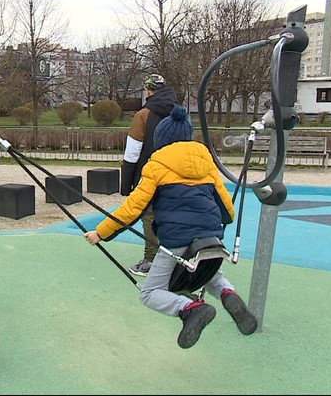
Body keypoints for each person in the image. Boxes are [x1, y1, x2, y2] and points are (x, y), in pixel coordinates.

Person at [84, 105, 257, 349]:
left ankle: (190, 308)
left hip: (177, 241)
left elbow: (132, 208)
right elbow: (227, 208)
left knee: (149, 293)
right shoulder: (206, 164)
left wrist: (99, 233)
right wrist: (218, 226)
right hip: (211, 238)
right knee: (211, 275)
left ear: (161, 141)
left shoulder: (156, 166)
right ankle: (230, 295)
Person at [120, 73, 177, 277]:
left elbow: (133, 152)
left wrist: (126, 184)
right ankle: (175, 258)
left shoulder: (143, 115)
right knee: (173, 215)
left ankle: (151, 260)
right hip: (177, 172)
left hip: (152, 173)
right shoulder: (179, 113)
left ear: (148, 91)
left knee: (150, 216)